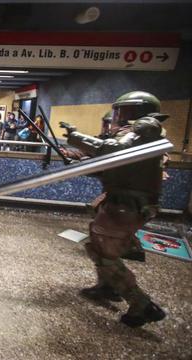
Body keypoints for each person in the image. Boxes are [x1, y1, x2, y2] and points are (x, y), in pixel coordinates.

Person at [61, 91, 169, 328]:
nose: (119, 115)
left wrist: (75, 136)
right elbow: (114, 168)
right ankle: (108, 286)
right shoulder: (142, 135)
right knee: (99, 244)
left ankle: (142, 305)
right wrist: (77, 163)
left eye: (124, 110)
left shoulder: (145, 130)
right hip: (122, 201)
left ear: (139, 110)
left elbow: (112, 152)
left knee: (105, 252)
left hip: (127, 205)